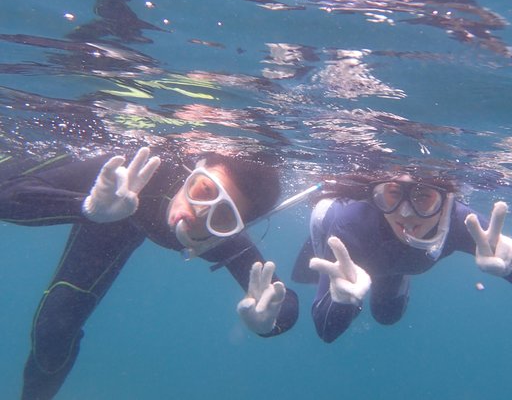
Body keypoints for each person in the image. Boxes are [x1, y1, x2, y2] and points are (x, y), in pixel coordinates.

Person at [0, 146, 308, 399]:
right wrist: (86, 206)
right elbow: (7, 196)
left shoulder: (222, 240)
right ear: (193, 169)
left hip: (110, 221)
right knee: (54, 326)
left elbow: (281, 298)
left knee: (54, 327)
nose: (196, 213)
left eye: (223, 215)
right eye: (202, 189)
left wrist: (270, 322)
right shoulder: (136, 166)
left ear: (234, 229)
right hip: (99, 203)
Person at [292, 171, 512, 343]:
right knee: (310, 278)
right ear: (377, 195)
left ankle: (395, 275)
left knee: (387, 317)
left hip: (392, 267)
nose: (406, 214)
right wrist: (341, 300)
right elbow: (326, 332)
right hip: (352, 254)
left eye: (423, 197)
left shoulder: (462, 223)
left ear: (446, 200)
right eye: (393, 196)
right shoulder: (350, 225)